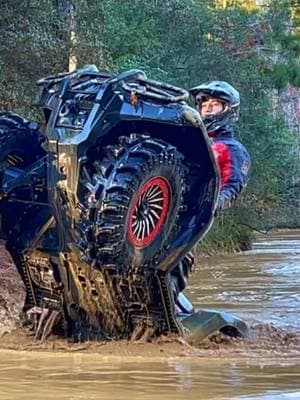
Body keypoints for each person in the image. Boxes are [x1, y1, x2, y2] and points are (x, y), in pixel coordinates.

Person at [171, 80, 251, 315]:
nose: (207, 109)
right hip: (160, 212)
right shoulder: (186, 140)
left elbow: (233, 184)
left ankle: (170, 316)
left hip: (192, 219)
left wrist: (213, 204)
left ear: (228, 111)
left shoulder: (231, 148)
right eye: (204, 104)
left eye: (215, 105)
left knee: (172, 263)